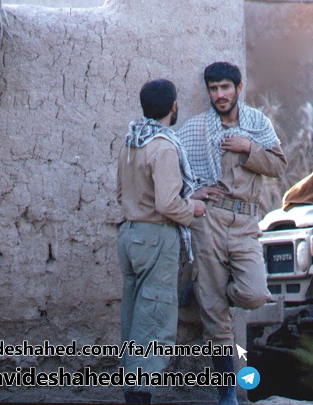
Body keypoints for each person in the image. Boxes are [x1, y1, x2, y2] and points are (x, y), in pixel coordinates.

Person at [177, 62, 288, 405]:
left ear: (239, 89)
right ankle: (227, 392)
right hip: (208, 220)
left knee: (253, 294)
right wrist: (192, 194)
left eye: (225, 87)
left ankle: (205, 290)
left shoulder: (257, 124)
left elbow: (278, 165)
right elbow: (175, 171)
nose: (220, 95)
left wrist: (248, 148)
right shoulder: (195, 129)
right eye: (213, 89)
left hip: (245, 222)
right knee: (215, 317)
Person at [117, 79, 206, 404]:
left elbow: (120, 193)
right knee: (153, 322)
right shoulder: (164, 146)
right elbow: (168, 204)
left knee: (134, 320)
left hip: (130, 235)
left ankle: (133, 391)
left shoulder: (131, 141)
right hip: (156, 237)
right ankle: (139, 396)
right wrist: (192, 208)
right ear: (173, 107)